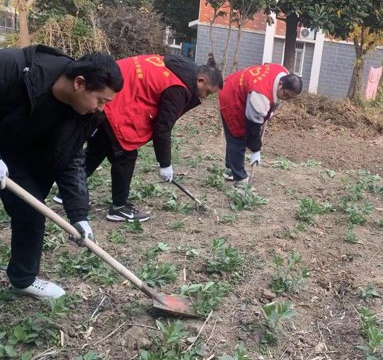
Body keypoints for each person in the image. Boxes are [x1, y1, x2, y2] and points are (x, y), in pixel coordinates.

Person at [0, 45, 123, 299]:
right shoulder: (13, 67)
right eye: (100, 100)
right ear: (79, 83)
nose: (101, 108)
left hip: (18, 157)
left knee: (31, 212)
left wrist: (79, 215)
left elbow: (71, 158)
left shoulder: (83, 114)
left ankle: (23, 280)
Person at [56, 55, 223, 222]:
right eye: (207, 92)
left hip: (110, 92)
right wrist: (165, 164)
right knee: (125, 155)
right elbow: (163, 127)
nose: (206, 97)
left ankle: (67, 192)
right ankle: (119, 208)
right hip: (114, 100)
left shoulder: (182, 67)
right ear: (200, 80)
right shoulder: (179, 88)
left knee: (100, 146)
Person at [219, 63, 302, 186]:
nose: (286, 99)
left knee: (237, 138)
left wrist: (270, 111)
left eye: (290, 98)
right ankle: (239, 179)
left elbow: (273, 100)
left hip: (242, 88)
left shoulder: (282, 72)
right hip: (231, 96)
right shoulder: (260, 95)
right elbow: (252, 127)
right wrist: (255, 150)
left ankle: (231, 169)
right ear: (280, 84)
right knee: (237, 136)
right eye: (285, 95)